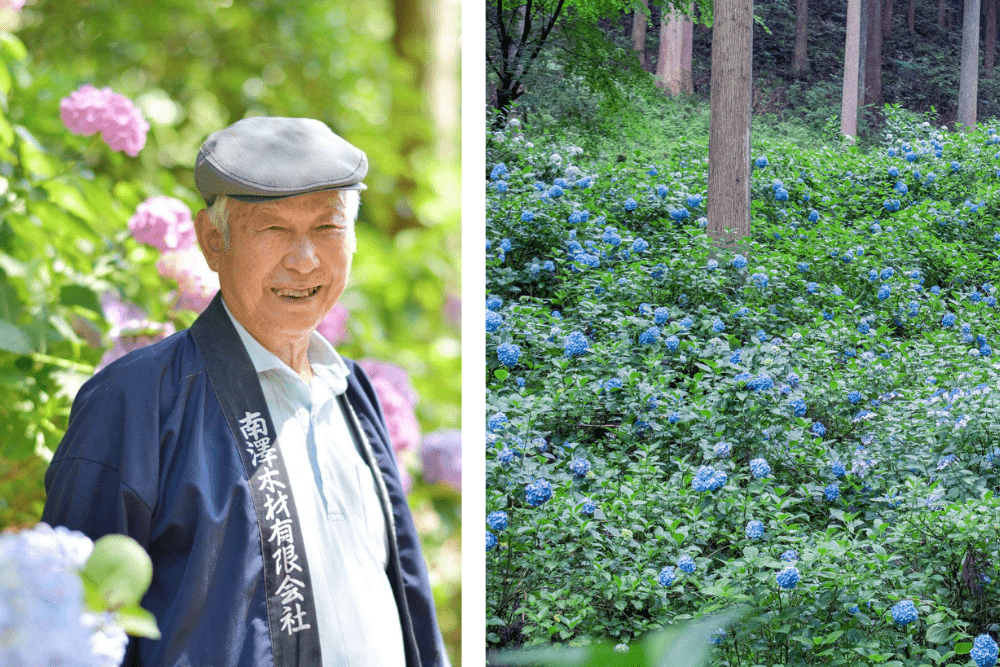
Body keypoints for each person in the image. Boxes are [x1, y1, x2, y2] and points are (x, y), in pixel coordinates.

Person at [42, 117, 449, 667]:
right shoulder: (136, 399)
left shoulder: (353, 391)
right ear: (213, 242)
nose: (304, 259)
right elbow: (67, 624)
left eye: (328, 228)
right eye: (274, 230)